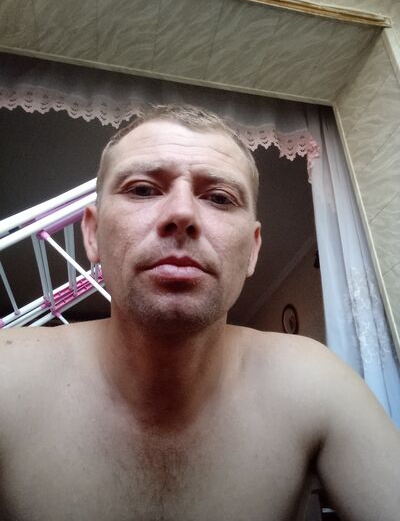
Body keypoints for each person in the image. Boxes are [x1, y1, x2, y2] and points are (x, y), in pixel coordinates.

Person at [0, 104, 399, 521]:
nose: (182, 214)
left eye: (219, 198)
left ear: (253, 250)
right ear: (92, 234)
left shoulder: (312, 380)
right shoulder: (7, 375)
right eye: (143, 190)